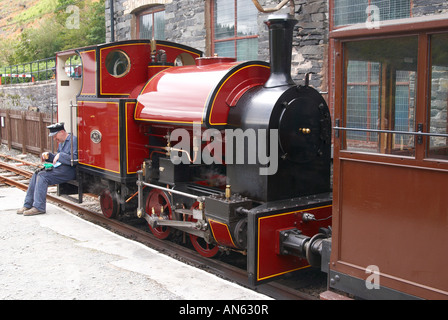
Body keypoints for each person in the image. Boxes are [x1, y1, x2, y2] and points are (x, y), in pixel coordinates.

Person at [17, 122, 78, 216]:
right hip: (61, 169)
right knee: (37, 173)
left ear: (62, 132)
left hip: (69, 171)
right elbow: (57, 159)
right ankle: (28, 204)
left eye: (55, 135)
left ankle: (39, 207)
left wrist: (60, 155)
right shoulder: (62, 143)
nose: (54, 139)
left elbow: (75, 159)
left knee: (42, 176)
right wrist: (49, 156)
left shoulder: (73, 141)